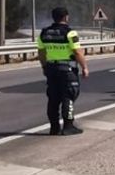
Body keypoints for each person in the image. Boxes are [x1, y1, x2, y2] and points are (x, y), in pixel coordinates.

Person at [37, 7, 89, 135]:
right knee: (68, 96)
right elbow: (77, 52)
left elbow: (41, 53)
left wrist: (44, 67)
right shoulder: (70, 33)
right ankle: (68, 126)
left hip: (51, 69)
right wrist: (85, 67)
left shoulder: (44, 33)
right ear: (66, 17)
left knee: (53, 98)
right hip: (67, 70)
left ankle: (54, 127)